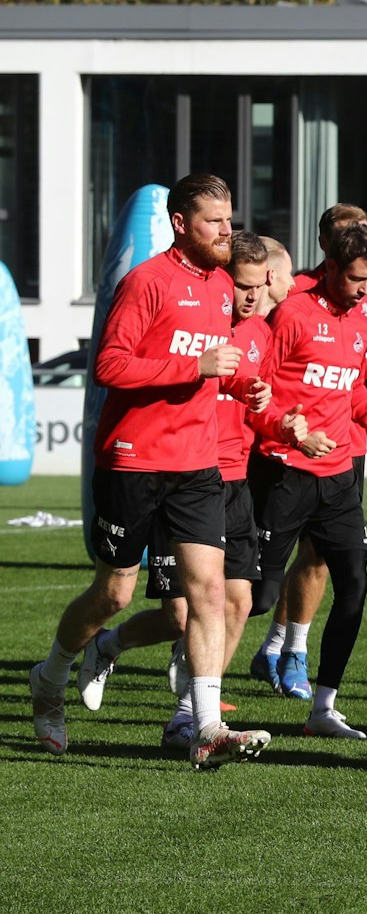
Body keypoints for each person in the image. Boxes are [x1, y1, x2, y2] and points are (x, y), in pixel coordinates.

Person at [29, 173, 273, 768]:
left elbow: (220, 365)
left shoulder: (222, 287)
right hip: (133, 461)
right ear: (180, 224)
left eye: (230, 217)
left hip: (196, 464)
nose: (227, 230)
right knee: (114, 594)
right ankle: (51, 676)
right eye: (215, 221)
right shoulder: (146, 282)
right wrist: (196, 365)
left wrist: (248, 386)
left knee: (208, 593)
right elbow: (111, 365)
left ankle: (206, 725)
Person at [73, 234, 287, 748]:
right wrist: (199, 368)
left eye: (261, 287)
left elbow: (258, 401)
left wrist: (276, 415)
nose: (252, 297)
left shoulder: (258, 333)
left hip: (230, 481)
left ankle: (191, 720)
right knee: (175, 612)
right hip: (177, 471)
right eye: (242, 285)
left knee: (233, 601)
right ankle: (106, 645)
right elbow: (118, 366)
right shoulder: (185, 309)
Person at [247, 221, 367, 739]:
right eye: (358, 279)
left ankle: (323, 708)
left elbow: (352, 389)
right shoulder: (292, 313)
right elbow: (255, 391)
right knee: (253, 598)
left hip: (337, 478)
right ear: (332, 268)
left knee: (355, 585)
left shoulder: (364, 318)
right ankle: (187, 690)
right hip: (283, 473)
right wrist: (291, 431)